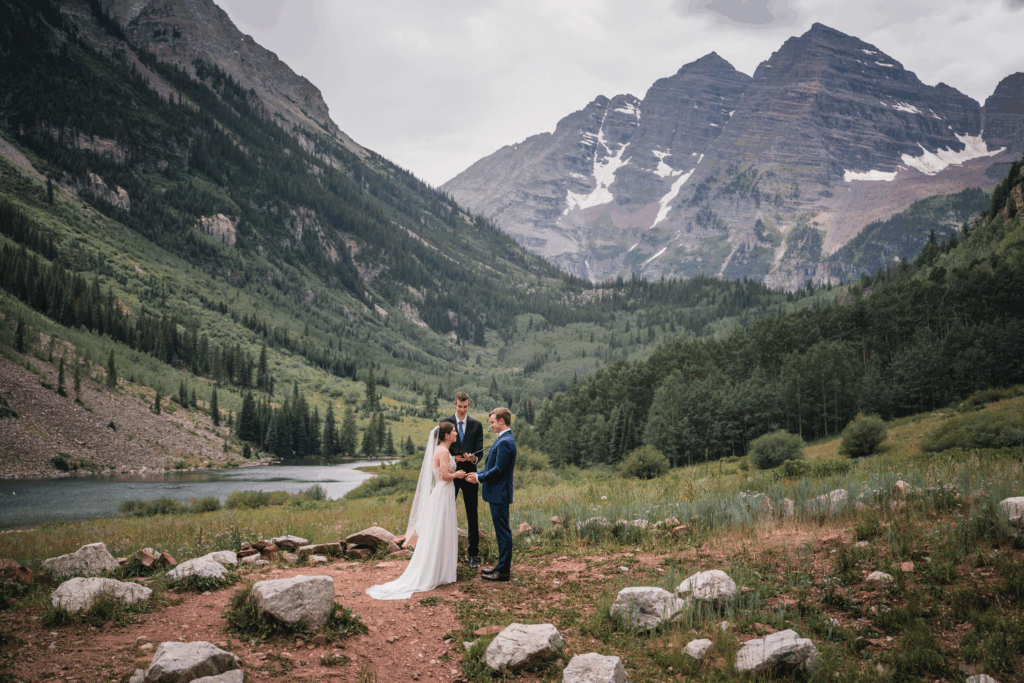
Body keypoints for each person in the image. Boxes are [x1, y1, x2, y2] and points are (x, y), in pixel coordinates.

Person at [367, 422, 466, 600]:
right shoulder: (443, 452)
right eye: (453, 432)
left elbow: (444, 467)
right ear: (446, 435)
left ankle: (440, 570)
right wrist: (457, 474)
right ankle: (438, 572)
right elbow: (444, 476)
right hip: (443, 493)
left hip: (444, 494)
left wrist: (457, 461)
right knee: (440, 530)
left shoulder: (442, 450)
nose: (456, 434)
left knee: (441, 530)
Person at [467, 407, 517, 582]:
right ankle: (500, 566)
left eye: (493, 422)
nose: (491, 426)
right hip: (498, 493)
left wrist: (478, 478)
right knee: (501, 531)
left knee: (503, 532)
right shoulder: (504, 439)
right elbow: (492, 467)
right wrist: (477, 473)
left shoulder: (505, 442)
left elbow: (498, 470)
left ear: (501, 421)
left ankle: (503, 572)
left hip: (499, 494)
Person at [441, 392, 482, 569]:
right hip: (451, 475)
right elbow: (441, 448)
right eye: (459, 406)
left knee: (472, 514)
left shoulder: (476, 425)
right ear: (455, 404)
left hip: (470, 475)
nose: (462, 410)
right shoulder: (445, 423)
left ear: (469, 405)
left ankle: (473, 554)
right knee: (445, 513)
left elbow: (480, 452)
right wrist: (454, 459)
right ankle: (443, 553)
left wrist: (473, 458)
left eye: (465, 407)